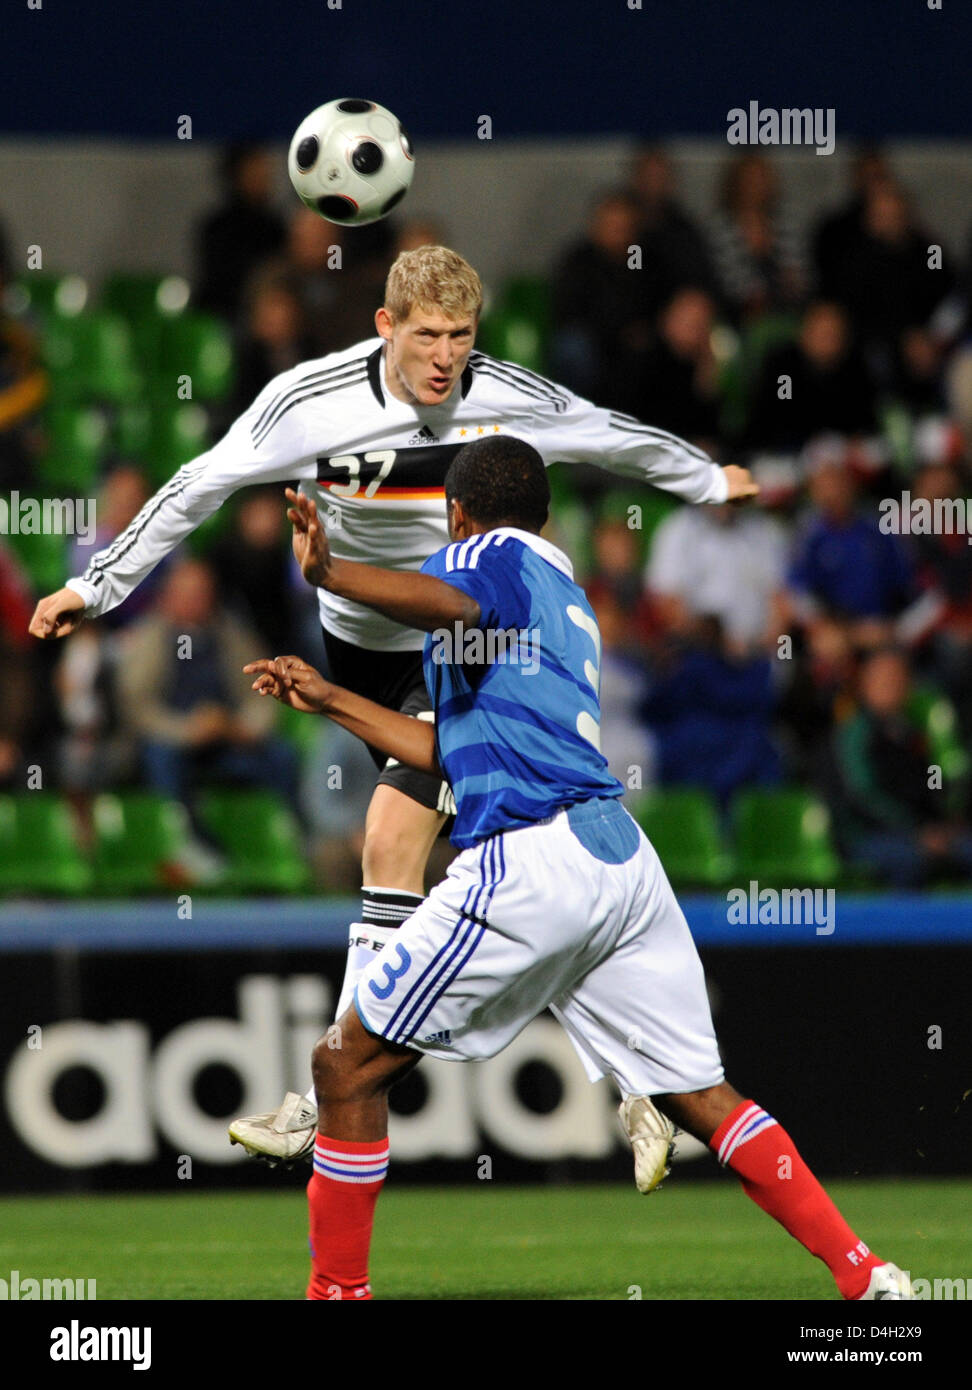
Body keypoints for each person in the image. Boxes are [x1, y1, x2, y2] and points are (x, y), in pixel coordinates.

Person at [28, 243, 757, 1168]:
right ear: (384, 326)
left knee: (398, 843)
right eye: (426, 335)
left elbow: (605, 430)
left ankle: (330, 1081)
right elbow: (198, 484)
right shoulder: (311, 401)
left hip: (459, 636)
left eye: (460, 335)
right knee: (499, 866)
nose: (445, 355)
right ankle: (628, 1079)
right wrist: (96, 587)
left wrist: (702, 479)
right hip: (360, 643)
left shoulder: (502, 392)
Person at [245, 437, 912, 1301]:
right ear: (549, 512)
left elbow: (449, 601)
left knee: (345, 1065)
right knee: (700, 1095)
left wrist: (333, 576)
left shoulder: (489, 557)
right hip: (620, 859)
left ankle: (336, 1294)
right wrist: (332, 699)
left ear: (457, 515)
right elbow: (451, 753)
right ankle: (868, 1277)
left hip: (531, 859)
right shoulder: (569, 599)